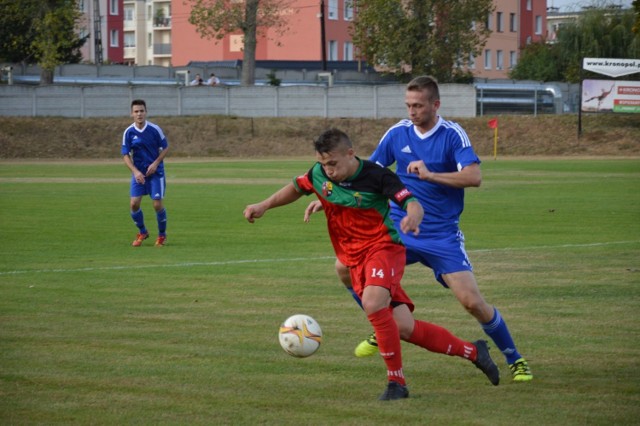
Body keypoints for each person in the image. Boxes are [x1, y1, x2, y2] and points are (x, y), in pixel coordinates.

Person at [305, 76, 533, 382]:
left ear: (435, 105)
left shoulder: (452, 135)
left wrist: (430, 175)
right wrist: (331, 197)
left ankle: (514, 358)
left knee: (472, 302)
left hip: (441, 234)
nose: (412, 111)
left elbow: (474, 177)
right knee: (343, 267)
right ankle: (383, 321)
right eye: (408, 105)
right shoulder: (398, 133)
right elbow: (367, 172)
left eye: (418, 105)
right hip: (400, 228)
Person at [244, 128, 499, 401]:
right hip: (355, 259)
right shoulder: (318, 174)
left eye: (333, 163)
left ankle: (397, 384)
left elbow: (412, 202)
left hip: (383, 249)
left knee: (373, 303)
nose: (327, 170)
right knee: (403, 327)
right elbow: (297, 187)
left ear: (350, 154)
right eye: (323, 164)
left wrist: (413, 217)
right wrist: (264, 205)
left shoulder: (377, 176)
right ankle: (474, 351)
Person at [121, 99, 169, 247]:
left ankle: (161, 235)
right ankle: (142, 231)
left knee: (156, 205)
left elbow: (165, 147)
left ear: (146, 112)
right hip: (139, 174)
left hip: (156, 173)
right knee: (134, 204)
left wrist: (156, 163)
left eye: (141, 111)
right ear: (131, 114)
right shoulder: (128, 132)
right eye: (136, 111)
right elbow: (125, 155)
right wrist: (135, 172)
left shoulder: (155, 129)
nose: (139, 114)